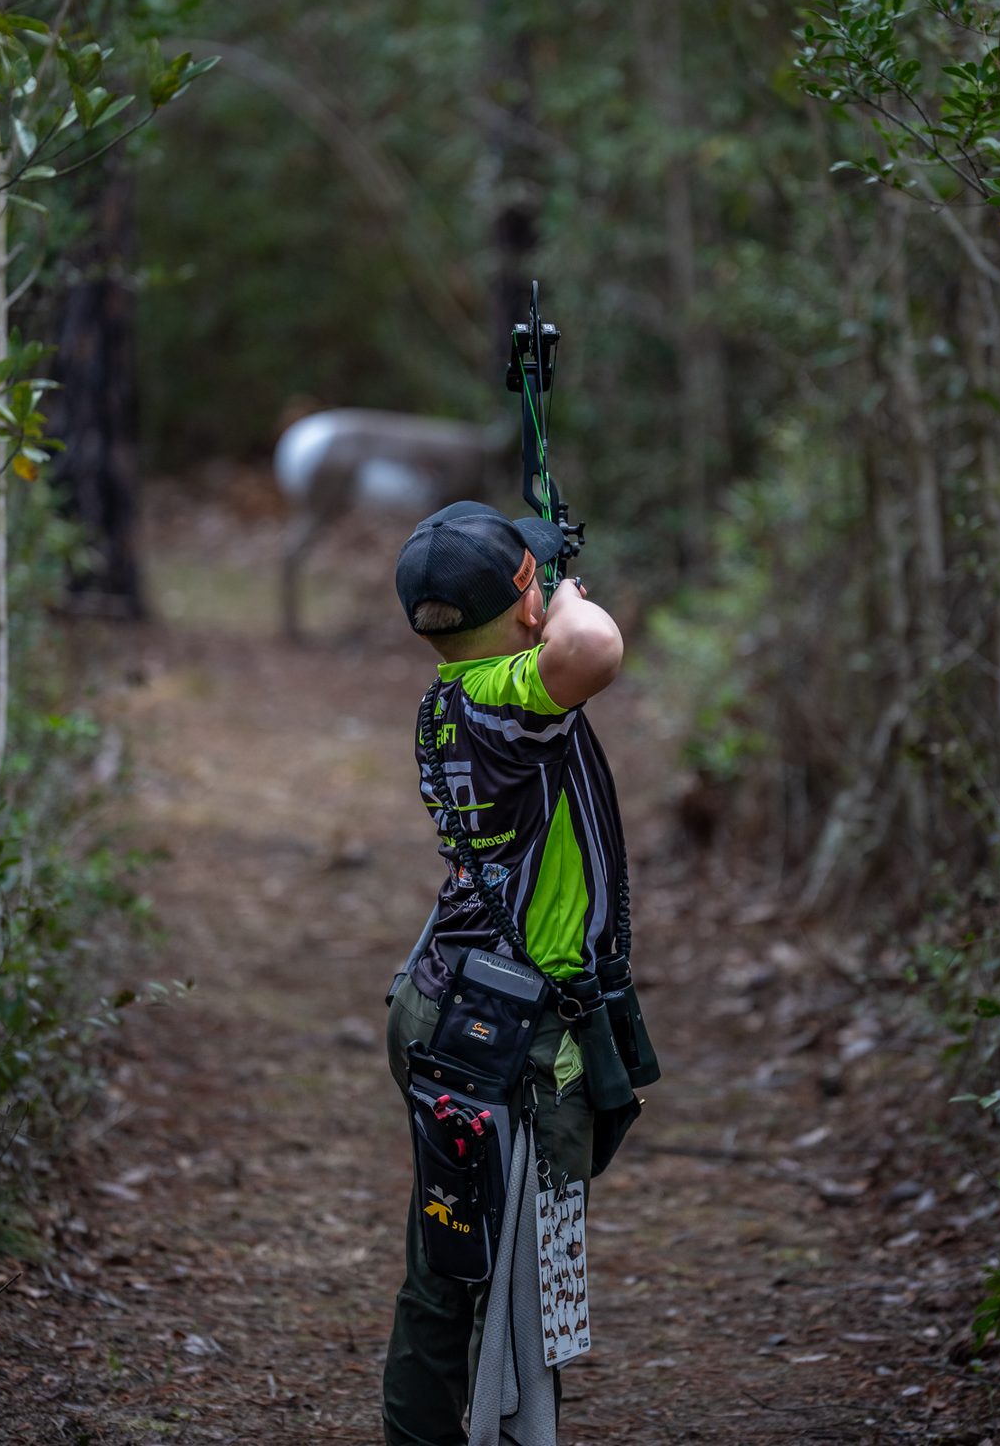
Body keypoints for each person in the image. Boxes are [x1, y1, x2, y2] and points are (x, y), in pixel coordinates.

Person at [383, 499, 627, 1446]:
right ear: (525, 606)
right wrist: (560, 584)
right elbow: (595, 648)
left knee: (446, 1267)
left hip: (443, 1004)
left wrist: (538, 582)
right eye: (534, 584)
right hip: (514, 1042)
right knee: (534, 1298)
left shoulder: (452, 696)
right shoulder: (511, 696)